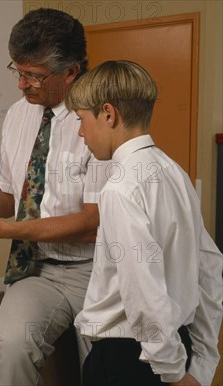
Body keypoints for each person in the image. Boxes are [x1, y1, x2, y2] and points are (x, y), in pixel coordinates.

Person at [0, 9, 108, 385]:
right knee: (11, 346)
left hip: (99, 269)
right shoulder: (18, 114)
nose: (21, 84)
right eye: (18, 71)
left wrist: (3, 230)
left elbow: (93, 224)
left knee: (103, 365)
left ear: (72, 71)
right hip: (38, 271)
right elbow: (9, 195)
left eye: (33, 75)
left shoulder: (100, 121)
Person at [67, 60, 222, 386]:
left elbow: (144, 292)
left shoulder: (120, 188)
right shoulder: (175, 173)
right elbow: (209, 268)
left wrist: (173, 372)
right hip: (178, 348)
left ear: (108, 114)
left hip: (130, 362)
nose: (80, 132)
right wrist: (202, 362)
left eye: (81, 119)